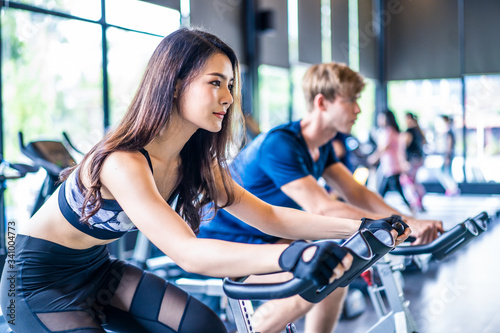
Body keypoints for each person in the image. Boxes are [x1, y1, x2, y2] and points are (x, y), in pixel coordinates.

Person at [0, 28, 375, 333]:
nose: (228, 97)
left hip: (97, 270)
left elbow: (270, 218)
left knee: (203, 327)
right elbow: (188, 253)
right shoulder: (123, 161)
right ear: (176, 83)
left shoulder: (193, 161)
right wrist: (294, 254)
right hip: (34, 283)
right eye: (215, 82)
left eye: (230, 84)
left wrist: (361, 227)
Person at [198, 62, 442, 333]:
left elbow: (357, 192)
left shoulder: (320, 146)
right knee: (314, 281)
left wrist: (407, 220)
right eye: (351, 101)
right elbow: (323, 208)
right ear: (322, 102)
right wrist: (401, 222)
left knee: (336, 275)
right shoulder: (281, 144)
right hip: (226, 240)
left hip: (268, 234)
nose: (358, 109)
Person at [368, 110, 413, 211]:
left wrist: (373, 158)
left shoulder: (388, 131)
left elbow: (383, 147)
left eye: (381, 117)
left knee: (385, 190)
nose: (379, 120)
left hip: (390, 165)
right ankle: (377, 209)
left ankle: (376, 209)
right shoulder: (395, 131)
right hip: (392, 165)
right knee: (390, 189)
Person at [401, 112, 427, 212]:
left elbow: (404, 146)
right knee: (413, 181)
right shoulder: (418, 130)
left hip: (412, 159)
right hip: (419, 158)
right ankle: (418, 201)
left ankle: (416, 201)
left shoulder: (409, 131)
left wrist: (403, 160)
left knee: (409, 181)